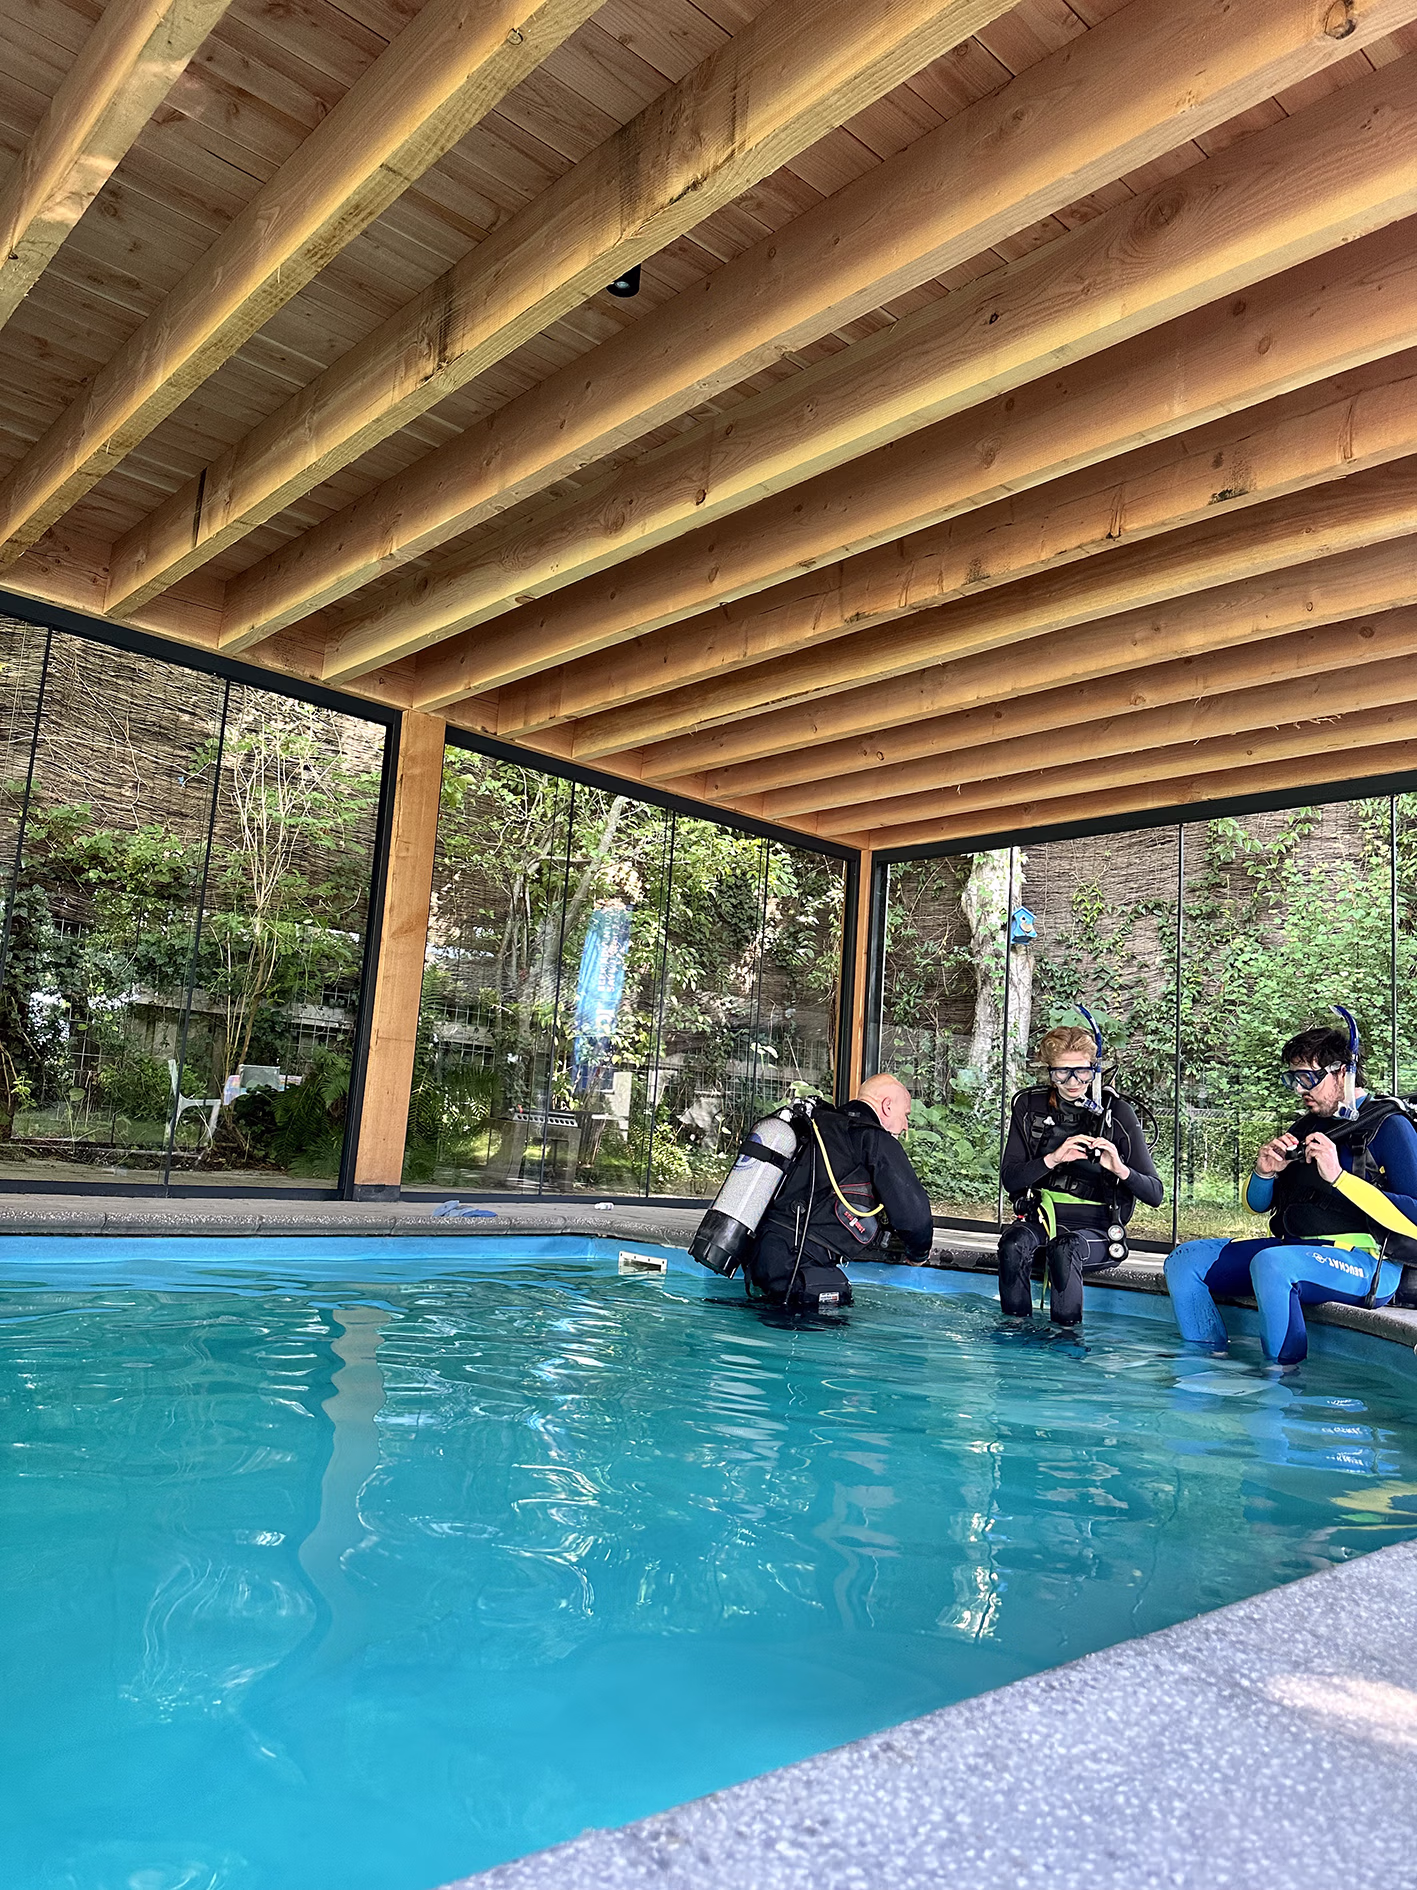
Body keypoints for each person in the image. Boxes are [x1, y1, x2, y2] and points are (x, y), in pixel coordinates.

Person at [1164, 1019, 1417, 1364]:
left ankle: (1280, 1382)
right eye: (1294, 1078)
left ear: (1343, 1073)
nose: (1300, 1089)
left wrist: (1339, 1177)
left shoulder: (1390, 1127)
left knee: (1273, 1264)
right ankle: (1204, 1366)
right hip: (1296, 1249)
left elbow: (1413, 1216)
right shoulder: (1306, 1126)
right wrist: (1264, 1172)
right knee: (1185, 1261)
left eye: (1308, 1078)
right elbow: (1257, 1205)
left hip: (1367, 1264)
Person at [998, 1021, 1163, 1326]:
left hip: (1096, 1229)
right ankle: (1013, 1335)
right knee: (1012, 1244)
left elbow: (1155, 1194)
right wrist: (1052, 1159)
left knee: (1065, 1248)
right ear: (1050, 1072)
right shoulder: (1030, 1108)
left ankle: (1066, 1341)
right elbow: (1010, 1179)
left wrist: (1119, 1168)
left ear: (1094, 1070)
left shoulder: (1117, 1113)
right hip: (1042, 1219)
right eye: (1062, 1072)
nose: (1073, 1082)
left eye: (1082, 1072)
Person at [743, 1073, 934, 1311]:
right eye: (906, 1115)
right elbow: (913, 1216)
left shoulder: (816, 1124)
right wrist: (918, 1254)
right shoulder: (873, 1138)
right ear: (887, 1106)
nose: (905, 1126)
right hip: (800, 1266)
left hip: (759, 1254)